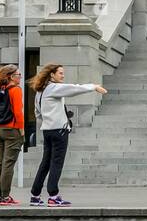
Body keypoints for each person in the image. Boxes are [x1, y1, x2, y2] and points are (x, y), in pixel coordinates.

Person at [27, 63, 106, 207]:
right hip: (59, 131)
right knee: (57, 163)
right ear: (52, 75)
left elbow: (38, 113)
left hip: (47, 130)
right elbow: (74, 88)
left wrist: (50, 119)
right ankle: (53, 195)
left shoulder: (40, 91)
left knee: (45, 163)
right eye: (60, 73)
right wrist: (93, 86)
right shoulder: (54, 88)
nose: (63, 76)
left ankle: (35, 195)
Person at [0, 63, 25, 206]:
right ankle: (4, 195)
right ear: (10, 77)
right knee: (8, 163)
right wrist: (21, 130)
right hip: (12, 130)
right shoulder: (15, 90)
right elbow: (18, 112)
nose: (20, 78)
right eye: (18, 75)